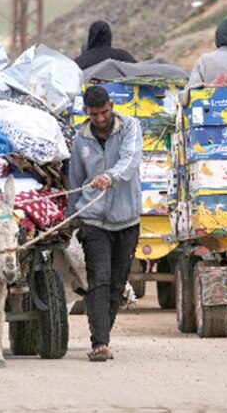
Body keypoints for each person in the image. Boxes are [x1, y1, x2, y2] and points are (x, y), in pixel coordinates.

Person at [67, 85, 142, 362]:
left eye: (104, 112)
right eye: (94, 114)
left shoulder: (130, 127)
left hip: (127, 220)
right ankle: (99, 342)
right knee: (99, 279)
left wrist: (109, 177)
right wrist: (69, 220)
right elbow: (74, 181)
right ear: (87, 112)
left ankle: (103, 335)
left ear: (111, 106)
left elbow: (130, 161)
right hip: (93, 220)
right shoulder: (80, 139)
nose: (100, 119)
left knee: (116, 283)